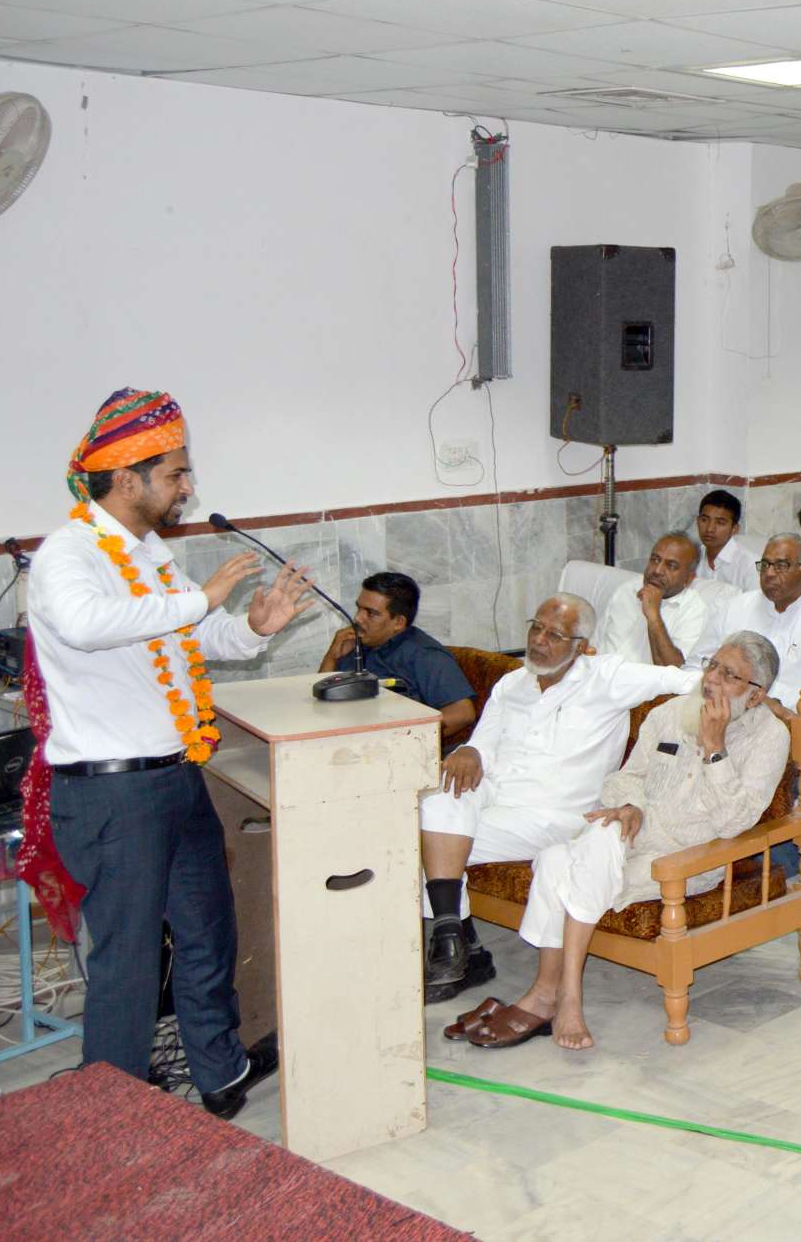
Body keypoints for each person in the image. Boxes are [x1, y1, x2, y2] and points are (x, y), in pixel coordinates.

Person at [27, 388, 313, 1113]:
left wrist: (252, 627)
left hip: (178, 775)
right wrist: (202, 599)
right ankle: (117, 1114)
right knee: (127, 960)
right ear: (127, 479)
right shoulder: (68, 554)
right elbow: (89, 625)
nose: (188, 487)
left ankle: (220, 1075)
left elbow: (193, 636)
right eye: (177, 473)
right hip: (112, 791)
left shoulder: (150, 554)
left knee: (207, 933)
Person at [456, 632, 789, 1051]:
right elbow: (624, 778)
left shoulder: (770, 738)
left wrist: (714, 748)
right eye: (712, 666)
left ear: (755, 695)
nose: (711, 680)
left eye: (730, 676)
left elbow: (733, 822)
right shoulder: (670, 713)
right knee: (589, 843)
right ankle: (560, 998)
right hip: (632, 834)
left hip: (685, 857)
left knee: (557, 862)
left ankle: (550, 995)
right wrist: (631, 805)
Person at [420, 594, 703, 1004]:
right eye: (536, 627)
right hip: (497, 794)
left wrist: (755, 695)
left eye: (554, 635)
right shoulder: (512, 684)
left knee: (426, 845)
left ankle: (464, 949)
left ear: (581, 646)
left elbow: (681, 680)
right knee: (437, 801)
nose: (539, 640)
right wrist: (469, 750)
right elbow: (484, 743)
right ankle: (455, 939)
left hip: (555, 814)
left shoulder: (607, 677)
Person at [319, 570, 477, 744]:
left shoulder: (424, 655)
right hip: (343, 738)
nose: (358, 618)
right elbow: (319, 702)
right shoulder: (353, 642)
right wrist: (332, 657)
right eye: (359, 608)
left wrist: (400, 740)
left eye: (371, 613)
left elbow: (463, 713)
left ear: (398, 623)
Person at [708, 534, 801, 715]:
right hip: (721, 709)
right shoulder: (735, 607)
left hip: (788, 721)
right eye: (765, 565)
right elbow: (697, 664)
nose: (769, 573)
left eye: (781, 566)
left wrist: (759, 699)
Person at [591, 533, 711, 669]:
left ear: (688, 579)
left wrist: (653, 616)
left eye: (671, 566)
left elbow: (674, 671)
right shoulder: (627, 589)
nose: (658, 570)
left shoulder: (694, 610)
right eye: (655, 560)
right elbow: (595, 645)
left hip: (639, 682)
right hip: (599, 675)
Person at [691, 489, 758, 592]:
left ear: (734, 529)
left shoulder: (750, 565)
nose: (709, 529)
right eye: (704, 520)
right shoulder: (692, 558)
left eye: (720, 523)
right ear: (697, 521)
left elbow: (754, 601)